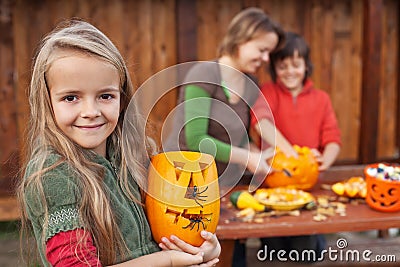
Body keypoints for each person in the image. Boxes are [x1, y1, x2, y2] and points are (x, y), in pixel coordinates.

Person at [17, 19, 220, 267]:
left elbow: (173, 226)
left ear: (122, 99)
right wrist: (166, 261)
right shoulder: (54, 175)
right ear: (47, 102)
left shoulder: (136, 155)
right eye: (71, 97)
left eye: (105, 96)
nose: (90, 111)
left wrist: (201, 249)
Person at [162, 7, 285, 267]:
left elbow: (238, 136)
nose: (265, 58)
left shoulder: (250, 83)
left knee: (232, 253)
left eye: (269, 52)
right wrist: (248, 158)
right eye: (261, 49)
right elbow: (195, 140)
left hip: (222, 185)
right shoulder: (203, 75)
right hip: (185, 183)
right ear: (241, 39)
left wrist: (259, 155)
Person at [251, 32, 341, 262]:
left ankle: (315, 242)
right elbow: (261, 122)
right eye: (283, 66)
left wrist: (324, 160)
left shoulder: (321, 99)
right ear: (274, 69)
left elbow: (332, 139)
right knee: (273, 250)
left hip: (306, 184)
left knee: (304, 254)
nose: (290, 71)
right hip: (273, 182)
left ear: (306, 66)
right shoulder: (268, 92)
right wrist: (289, 151)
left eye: (296, 65)